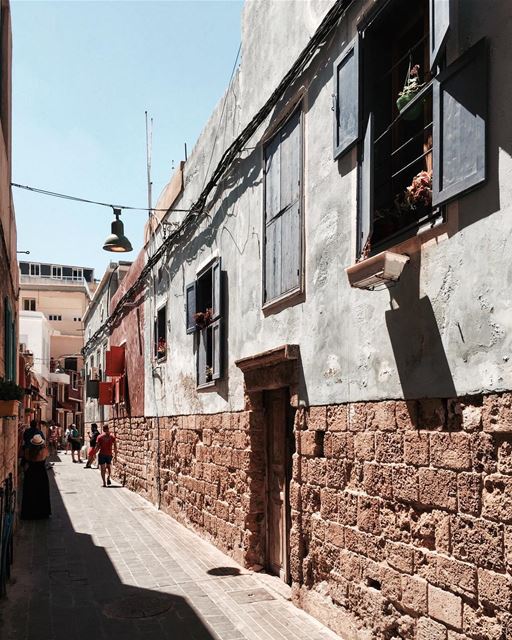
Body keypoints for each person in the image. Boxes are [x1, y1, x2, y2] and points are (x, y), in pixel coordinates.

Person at [20, 434, 51, 520]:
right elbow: (47, 455)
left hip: (30, 474)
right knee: (42, 493)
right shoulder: (44, 451)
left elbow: (23, 461)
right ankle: (42, 513)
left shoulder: (27, 451)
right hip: (41, 474)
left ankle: (29, 513)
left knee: (30, 493)